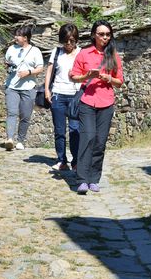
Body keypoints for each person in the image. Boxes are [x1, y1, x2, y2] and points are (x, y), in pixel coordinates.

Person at [69, 20, 123, 194]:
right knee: (88, 138)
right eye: (101, 34)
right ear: (94, 35)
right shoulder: (84, 53)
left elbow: (119, 82)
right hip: (87, 101)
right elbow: (73, 76)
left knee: (100, 142)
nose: (105, 37)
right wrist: (87, 76)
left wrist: (109, 78)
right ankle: (82, 180)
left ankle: (94, 179)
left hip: (106, 103)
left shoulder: (113, 55)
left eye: (108, 34)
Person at [44, 23, 81, 171]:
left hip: (75, 96)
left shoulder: (81, 53)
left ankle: (76, 161)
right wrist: (47, 90)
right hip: (58, 94)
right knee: (59, 131)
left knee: (75, 130)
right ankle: (61, 160)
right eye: (66, 40)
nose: (69, 44)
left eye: (72, 40)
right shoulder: (57, 52)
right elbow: (49, 71)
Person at [4, 25, 43, 151]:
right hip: (12, 86)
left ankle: (20, 141)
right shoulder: (11, 49)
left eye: (18, 35)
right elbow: (6, 62)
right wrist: (8, 65)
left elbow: (40, 68)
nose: (15, 37)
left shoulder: (35, 51)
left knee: (25, 116)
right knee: (12, 112)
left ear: (25, 38)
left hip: (28, 87)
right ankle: (10, 139)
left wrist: (28, 72)